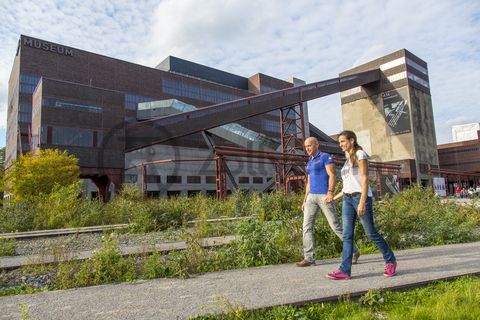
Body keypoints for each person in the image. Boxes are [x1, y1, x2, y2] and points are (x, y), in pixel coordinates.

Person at [326, 130, 396, 280]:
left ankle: (390, 261)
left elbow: (365, 180)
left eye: (343, 141)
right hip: (347, 199)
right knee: (347, 235)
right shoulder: (347, 160)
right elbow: (347, 186)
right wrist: (333, 198)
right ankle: (344, 270)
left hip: (360, 198)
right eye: (339, 142)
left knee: (371, 233)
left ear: (352, 140)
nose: (341, 145)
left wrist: (362, 202)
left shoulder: (360, 155)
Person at [296, 137, 360, 267]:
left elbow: (332, 175)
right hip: (311, 198)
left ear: (316, 145)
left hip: (324, 196)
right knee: (306, 227)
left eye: (309, 145)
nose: (307, 148)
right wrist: (304, 200)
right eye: (306, 146)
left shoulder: (325, 157)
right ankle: (309, 257)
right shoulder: (309, 161)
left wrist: (330, 193)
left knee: (335, 226)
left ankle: (354, 251)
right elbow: (308, 182)